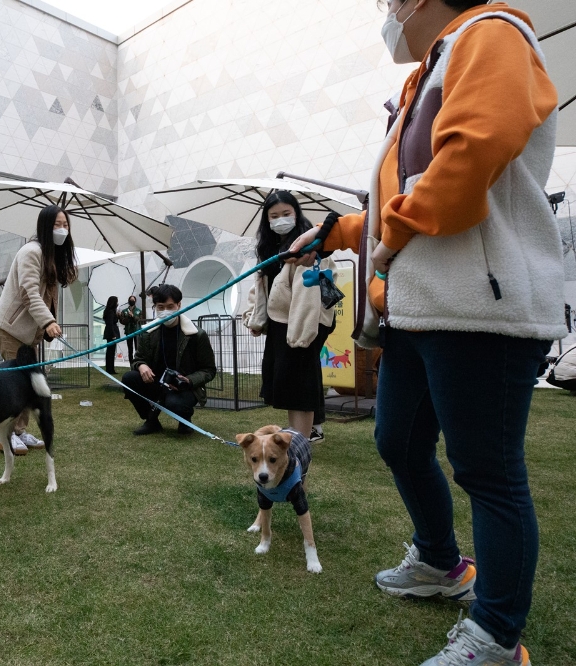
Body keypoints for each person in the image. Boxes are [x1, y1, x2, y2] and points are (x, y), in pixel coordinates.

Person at [288, 2, 563, 663]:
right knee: (398, 441)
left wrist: (394, 235)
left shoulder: (491, 33)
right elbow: (398, 199)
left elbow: (476, 150)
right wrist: (339, 229)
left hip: (480, 304)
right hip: (420, 305)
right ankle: (442, 564)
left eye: (389, 1)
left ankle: (497, 637)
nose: (386, 10)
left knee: (487, 470)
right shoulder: (432, 68)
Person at [242, 191, 336, 440]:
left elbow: (310, 292)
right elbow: (262, 286)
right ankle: (296, 437)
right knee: (289, 384)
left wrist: (302, 334)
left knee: (301, 386)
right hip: (280, 324)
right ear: (267, 220)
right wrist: (255, 317)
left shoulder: (311, 245)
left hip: (304, 321)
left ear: (297, 213)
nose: (280, 219)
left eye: (286, 214)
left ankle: (301, 443)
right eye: (274, 216)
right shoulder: (268, 248)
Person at [0, 203, 77, 455]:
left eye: (66, 225)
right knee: (16, 384)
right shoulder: (31, 251)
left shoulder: (49, 255)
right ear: (44, 226)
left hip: (29, 333)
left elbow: (68, 278)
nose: (62, 229)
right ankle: (3, 436)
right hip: (10, 329)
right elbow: (29, 294)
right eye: (56, 225)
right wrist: (48, 321)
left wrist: (65, 256)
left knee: (30, 383)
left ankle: (19, 431)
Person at [122, 284, 216, 436]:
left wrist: (188, 380)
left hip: (183, 386)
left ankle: (184, 420)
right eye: (160, 307)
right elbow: (138, 359)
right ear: (155, 307)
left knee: (175, 404)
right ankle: (151, 420)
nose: (165, 311)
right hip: (156, 381)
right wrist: (141, 366)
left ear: (179, 305)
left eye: (170, 306)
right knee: (129, 379)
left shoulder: (197, 335)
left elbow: (209, 370)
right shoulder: (148, 332)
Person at [118, 294, 142, 363]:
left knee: (137, 348)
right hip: (128, 331)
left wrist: (133, 316)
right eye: (131, 300)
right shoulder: (124, 311)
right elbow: (122, 321)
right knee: (130, 348)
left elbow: (139, 320)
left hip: (136, 331)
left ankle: (138, 362)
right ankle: (131, 363)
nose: (132, 301)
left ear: (135, 301)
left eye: (133, 300)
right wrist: (128, 317)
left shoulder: (138, 311)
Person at [102, 296, 120, 374]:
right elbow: (110, 324)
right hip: (111, 333)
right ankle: (110, 369)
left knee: (110, 351)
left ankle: (110, 368)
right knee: (111, 352)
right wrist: (113, 334)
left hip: (110, 332)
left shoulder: (109, 311)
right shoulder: (110, 312)